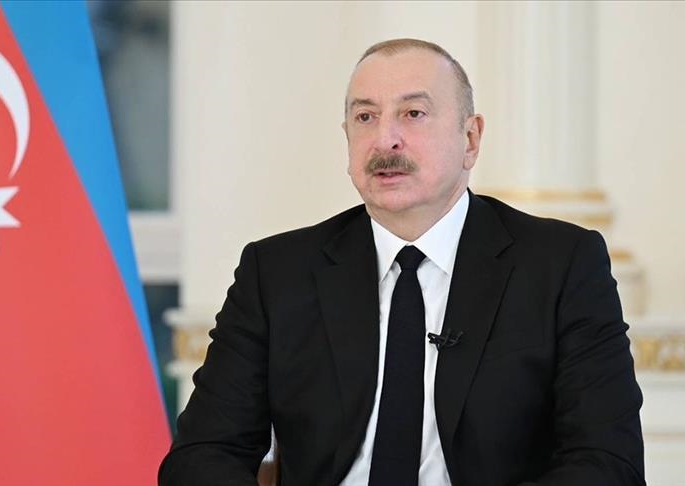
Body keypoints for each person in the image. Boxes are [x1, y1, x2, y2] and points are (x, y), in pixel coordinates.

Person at [158, 39, 644, 486]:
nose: (385, 140)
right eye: (365, 117)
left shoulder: (560, 265)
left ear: (470, 139)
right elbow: (201, 456)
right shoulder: (277, 272)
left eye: (413, 113)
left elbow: (607, 463)